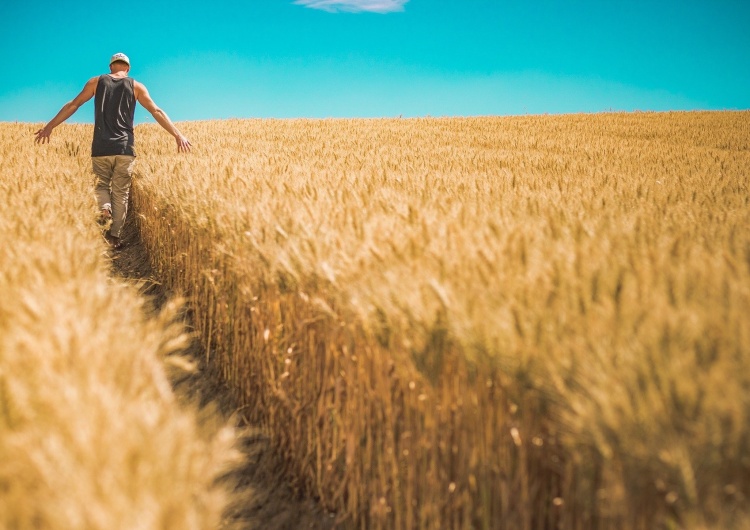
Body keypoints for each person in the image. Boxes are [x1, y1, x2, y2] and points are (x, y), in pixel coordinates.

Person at [34, 52, 191, 250]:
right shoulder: (136, 86)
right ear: (128, 68)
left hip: (101, 147)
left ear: (110, 67)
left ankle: (104, 207)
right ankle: (114, 237)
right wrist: (178, 135)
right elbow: (156, 111)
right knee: (121, 193)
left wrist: (50, 126)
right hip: (125, 148)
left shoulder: (96, 82)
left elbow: (73, 104)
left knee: (101, 186)